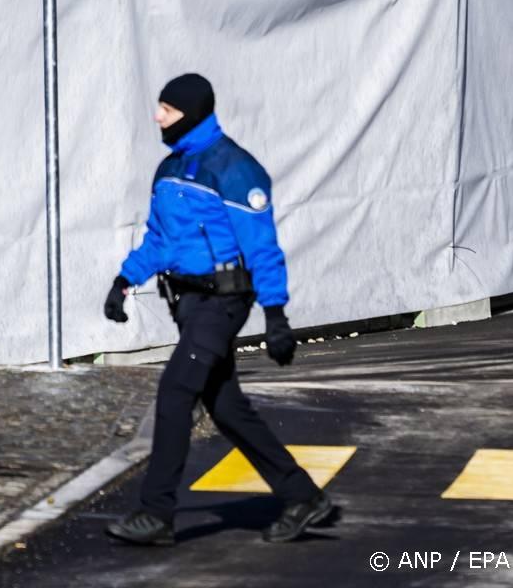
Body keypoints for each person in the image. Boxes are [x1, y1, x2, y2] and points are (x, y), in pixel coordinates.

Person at [102, 73, 337, 547]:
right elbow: (160, 240)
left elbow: (263, 248)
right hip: (188, 304)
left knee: (174, 394)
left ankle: (156, 513)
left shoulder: (235, 170)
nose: (157, 117)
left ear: (189, 112)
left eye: (166, 110)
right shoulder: (169, 170)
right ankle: (302, 497)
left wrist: (276, 316)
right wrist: (125, 280)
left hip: (223, 302)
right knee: (227, 408)